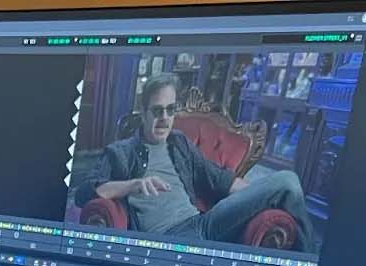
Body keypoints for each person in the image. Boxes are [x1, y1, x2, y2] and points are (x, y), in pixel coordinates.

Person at [73, 73, 316, 250]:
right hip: (170, 239)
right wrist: (134, 184)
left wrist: (260, 195)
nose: (165, 119)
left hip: (203, 223)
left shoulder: (179, 142)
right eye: (157, 111)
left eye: (171, 110)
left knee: (286, 181)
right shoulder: (121, 152)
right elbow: (84, 193)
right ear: (143, 111)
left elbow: (219, 179)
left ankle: (309, 264)